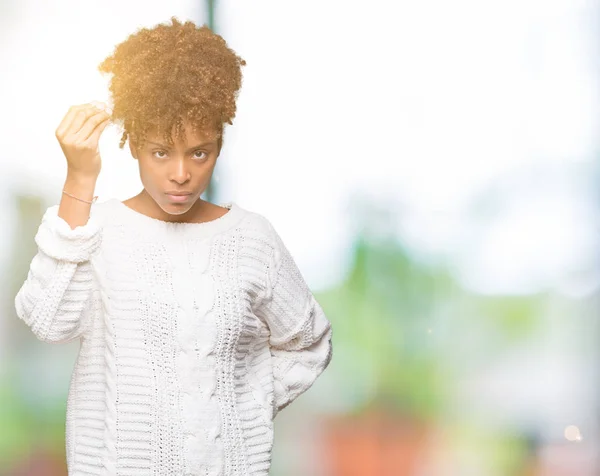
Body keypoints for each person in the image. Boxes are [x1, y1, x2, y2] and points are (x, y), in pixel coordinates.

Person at [14, 17, 333, 475]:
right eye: (161, 152)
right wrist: (80, 176)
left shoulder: (251, 240)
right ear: (134, 146)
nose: (180, 174)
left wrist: (244, 404)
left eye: (199, 152)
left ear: (219, 147)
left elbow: (309, 343)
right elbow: (47, 320)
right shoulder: (96, 228)